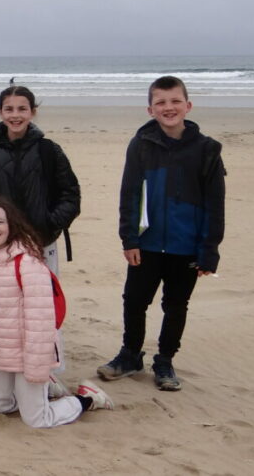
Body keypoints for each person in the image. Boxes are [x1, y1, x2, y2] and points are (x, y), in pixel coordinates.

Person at [98, 75, 226, 392]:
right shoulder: (141, 146)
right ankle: (130, 355)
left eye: (174, 101)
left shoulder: (207, 150)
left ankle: (165, 360)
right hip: (147, 242)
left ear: (188, 105)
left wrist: (209, 249)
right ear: (150, 110)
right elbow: (128, 194)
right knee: (134, 300)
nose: (168, 108)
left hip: (187, 246)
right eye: (161, 103)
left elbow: (215, 204)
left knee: (176, 305)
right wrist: (129, 238)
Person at [0, 196, 113, 427]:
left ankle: (86, 398)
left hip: (30, 354)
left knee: (37, 419)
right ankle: (45, 388)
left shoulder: (27, 262)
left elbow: (40, 322)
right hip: (2, 353)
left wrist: (35, 367)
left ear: (11, 224)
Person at [0, 86, 80, 274]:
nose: (15, 115)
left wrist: (49, 223)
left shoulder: (49, 150)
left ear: (32, 112)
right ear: (0, 112)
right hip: (0, 243)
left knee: (44, 298)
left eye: (22, 109)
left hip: (42, 241)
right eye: (9, 109)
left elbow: (70, 194)